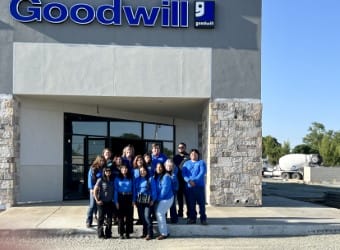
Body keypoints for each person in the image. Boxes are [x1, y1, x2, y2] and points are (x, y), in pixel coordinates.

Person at [182, 149, 208, 225]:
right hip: (189, 187)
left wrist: (194, 181)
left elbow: (202, 173)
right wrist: (189, 181)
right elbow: (184, 174)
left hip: (199, 187)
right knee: (191, 204)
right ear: (190, 155)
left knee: (201, 204)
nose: (193, 155)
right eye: (192, 153)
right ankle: (192, 218)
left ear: (198, 155)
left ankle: (203, 219)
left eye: (195, 153)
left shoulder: (201, 162)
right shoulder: (186, 163)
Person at [134, 165, 157, 240]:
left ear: (146, 171)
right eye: (141, 171)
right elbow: (135, 190)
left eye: (144, 170)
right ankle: (144, 233)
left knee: (147, 216)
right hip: (139, 201)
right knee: (142, 218)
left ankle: (150, 234)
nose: (142, 172)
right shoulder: (137, 179)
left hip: (148, 201)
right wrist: (134, 200)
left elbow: (154, 191)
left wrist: (153, 200)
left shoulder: (150, 179)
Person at [93, 167, 115, 239]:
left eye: (109, 171)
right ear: (104, 172)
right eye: (106, 171)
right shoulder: (100, 180)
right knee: (101, 218)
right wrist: (97, 200)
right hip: (101, 202)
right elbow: (95, 191)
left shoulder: (112, 180)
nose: (108, 172)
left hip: (110, 202)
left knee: (109, 219)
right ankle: (100, 234)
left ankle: (108, 233)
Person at [114, 164, 134, 239]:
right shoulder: (117, 178)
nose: (124, 170)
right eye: (123, 168)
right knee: (120, 217)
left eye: (126, 168)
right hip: (120, 197)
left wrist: (133, 200)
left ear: (127, 170)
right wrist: (116, 201)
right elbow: (115, 190)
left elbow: (133, 189)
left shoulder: (131, 178)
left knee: (129, 216)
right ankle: (121, 233)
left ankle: (128, 233)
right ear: (120, 170)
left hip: (129, 197)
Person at [154, 162, 174, 240]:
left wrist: (157, 199)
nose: (159, 168)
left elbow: (164, 190)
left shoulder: (166, 177)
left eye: (160, 167)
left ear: (163, 168)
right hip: (161, 198)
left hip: (167, 198)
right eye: (157, 167)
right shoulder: (157, 177)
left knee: (160, 213)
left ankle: (164, 233)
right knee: (159, 214)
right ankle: (164, 232)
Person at [86, 155, 105, 228]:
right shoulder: (93, 168)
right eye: (101, 161)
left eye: (103, 161)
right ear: (97, 160)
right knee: (92, 205)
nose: (102, 162)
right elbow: (89, 179)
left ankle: (97, 218)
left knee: (99, 205)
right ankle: (88, 220)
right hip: (94, 189)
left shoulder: (103, 168)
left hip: (101, 189)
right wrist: (91, 188)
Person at [173, 142, 189, 218]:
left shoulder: (189, 157)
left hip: (186, 181)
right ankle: (180, 213)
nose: (180, 149)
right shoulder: (175, 157)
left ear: (185, 148)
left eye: (182, 147)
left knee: (188, 198)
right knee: (179, 198)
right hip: (178, 180)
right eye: (179, 147)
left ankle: (190, 213)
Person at [132, 155, 146, 225]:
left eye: (141, 160)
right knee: (139, 207)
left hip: (145, 192)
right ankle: (140, 219)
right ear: (135, 161)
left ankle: (144, 220)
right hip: (136, 191)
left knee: (145, 209)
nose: (139, 161)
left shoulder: (146, 169)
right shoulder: (133, 171)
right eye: (138, 160)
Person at [165, 159, 179, 224]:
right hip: (165, 192)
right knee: (164, 205)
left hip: (172, 192)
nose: (169, 167)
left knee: (172, 205)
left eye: (170, 166)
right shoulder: (163, 173)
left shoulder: (174, 173)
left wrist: (170, 177)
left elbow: (175, 182)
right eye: (168, 166)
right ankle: (164, 219)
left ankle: (174, 219)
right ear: (165, 166)